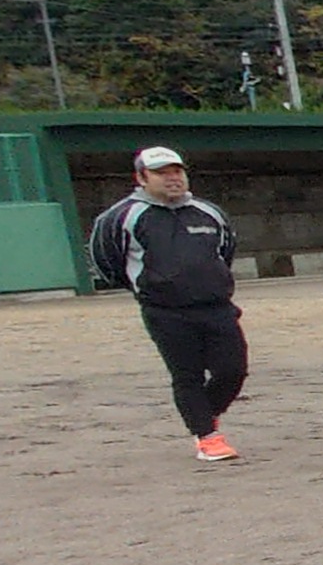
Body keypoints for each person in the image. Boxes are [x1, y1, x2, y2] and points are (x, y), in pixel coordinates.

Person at [89, 145, 251, 463]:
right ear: (141, 177)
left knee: (233, 371)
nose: (172, 178)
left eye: (176, 171)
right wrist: (149, 287)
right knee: (186, 374)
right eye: (162, 173)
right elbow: (105, 259)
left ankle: (203, 414)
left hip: (216, 306)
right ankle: (207, 436)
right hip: (165, 311)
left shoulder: (209, 213)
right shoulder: (123, 216)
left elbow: (225, 250)